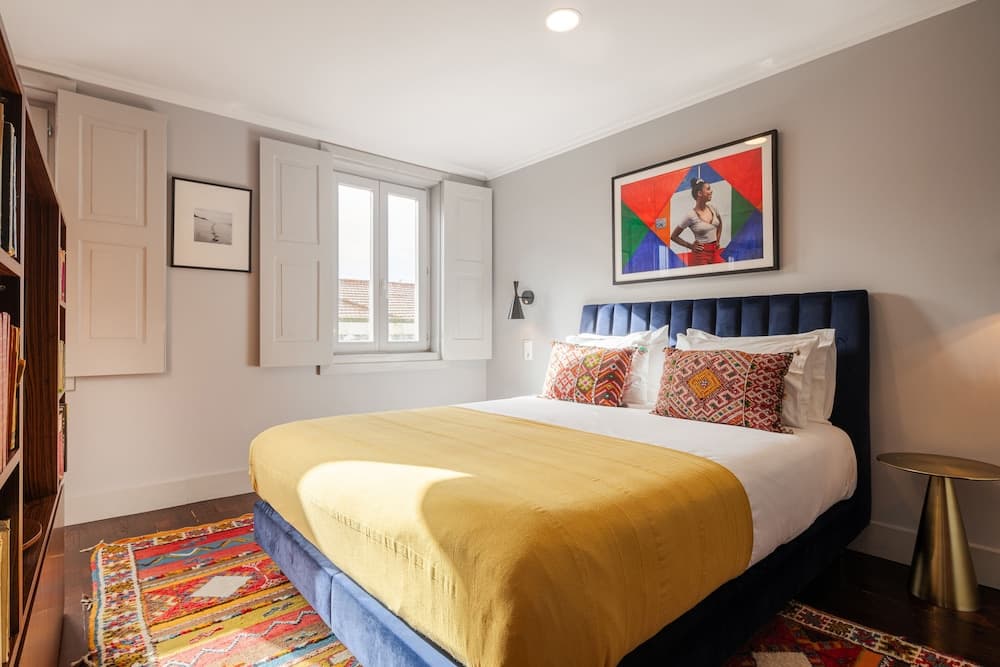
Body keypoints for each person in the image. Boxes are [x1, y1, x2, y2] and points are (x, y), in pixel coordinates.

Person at [670, 177, 724, 265]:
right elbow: (674, 236)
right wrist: (690, 246)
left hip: (715, 251)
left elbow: (720, 224)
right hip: (701, 254)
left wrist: (718, 240)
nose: (711, 191)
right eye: (708, 189)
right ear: (700, 193)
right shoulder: (690, 215)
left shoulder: (713, 208)